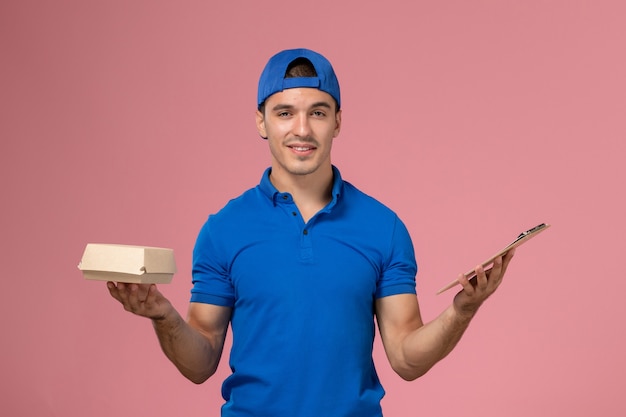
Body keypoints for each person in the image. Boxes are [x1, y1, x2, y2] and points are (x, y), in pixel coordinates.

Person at [107, 48, 515, 416]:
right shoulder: (222, 231)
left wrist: (463, 310)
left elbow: (407, 359)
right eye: (284, 112)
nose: (301, 129)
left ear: (337, 122)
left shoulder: (383, 228)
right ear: (261, 122)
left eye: (318, 112)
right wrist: (162, 316)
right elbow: (200, 362)